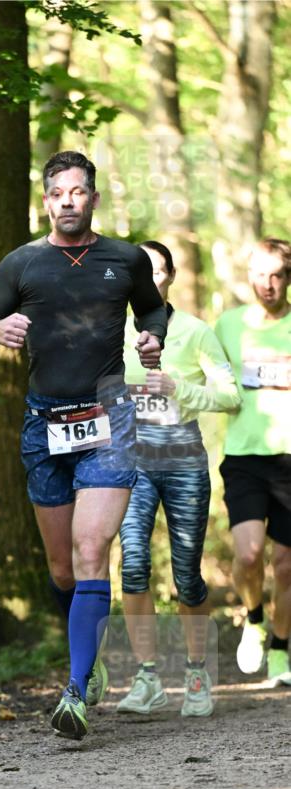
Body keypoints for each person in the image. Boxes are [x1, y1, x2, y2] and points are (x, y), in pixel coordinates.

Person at [0, 150, 167, 740]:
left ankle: (75, 692)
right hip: (44, 426)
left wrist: (153, 336)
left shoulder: (125, 259)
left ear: (93, 198)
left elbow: (153, 307)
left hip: (110, 420)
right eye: (58, 193)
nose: (68, 202)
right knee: (60, 570)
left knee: (89, 552)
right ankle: (90, 656)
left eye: (78, 192)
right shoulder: (22, 264)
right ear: (47, 200)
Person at [117, 241, 240, 718]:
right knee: (132, 564)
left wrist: (180, 389)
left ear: (169, 278)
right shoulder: (112, 329)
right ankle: (146, 677)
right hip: (131, 462)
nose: (148, 278)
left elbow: (230, 397)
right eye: (138, 270)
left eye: (157, 270)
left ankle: (195, 671)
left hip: (185, 462)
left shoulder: (193, 331)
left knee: (187, 574)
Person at [215, 238, 291, 687]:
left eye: (277, 274)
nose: (268, 284)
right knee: (249, 554)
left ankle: (281, 650)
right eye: (260, 275)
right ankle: (255, 619)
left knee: (286, 566)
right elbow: (200, 370)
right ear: (249, 279)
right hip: (244, 456)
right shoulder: (229, 326)